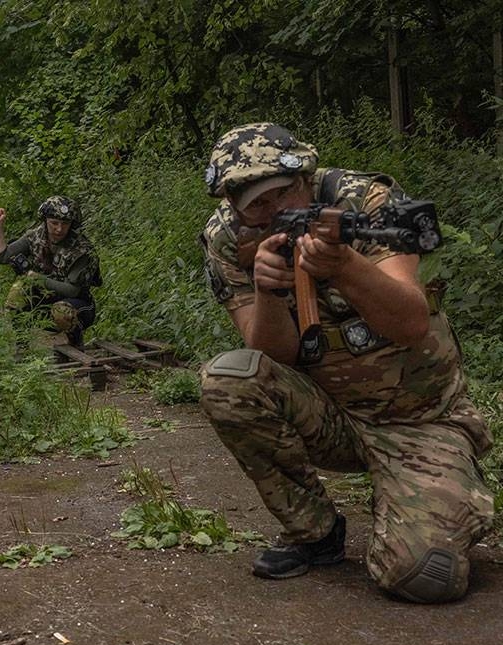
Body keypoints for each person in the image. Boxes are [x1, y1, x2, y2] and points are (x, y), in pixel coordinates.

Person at [198, 122, 493, 603]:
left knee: (421, 577)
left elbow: (411, 323)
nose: (275, 213)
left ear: (306, 176)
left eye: (284, 193)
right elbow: (274, 356)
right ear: (232, 204)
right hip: (332, 417)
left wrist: (344, 267)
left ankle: (433, 480)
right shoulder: (228, 238)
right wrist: (270, 291)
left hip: (419, 420)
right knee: (230, 379)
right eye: (257, 205)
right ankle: (314, 533)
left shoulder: (365, 204)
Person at [0, 196, 101, 347]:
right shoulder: (36, 236)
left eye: (65, 224)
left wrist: (39, 279)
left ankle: (75, 342)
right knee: (18, 290)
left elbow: (72, 290)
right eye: (54, 223)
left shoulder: (81, 249)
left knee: (62, 311)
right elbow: (1, 256)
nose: (59, 229)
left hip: (78, 306)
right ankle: (22, 345)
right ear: (45, 221)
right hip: (43, 302)